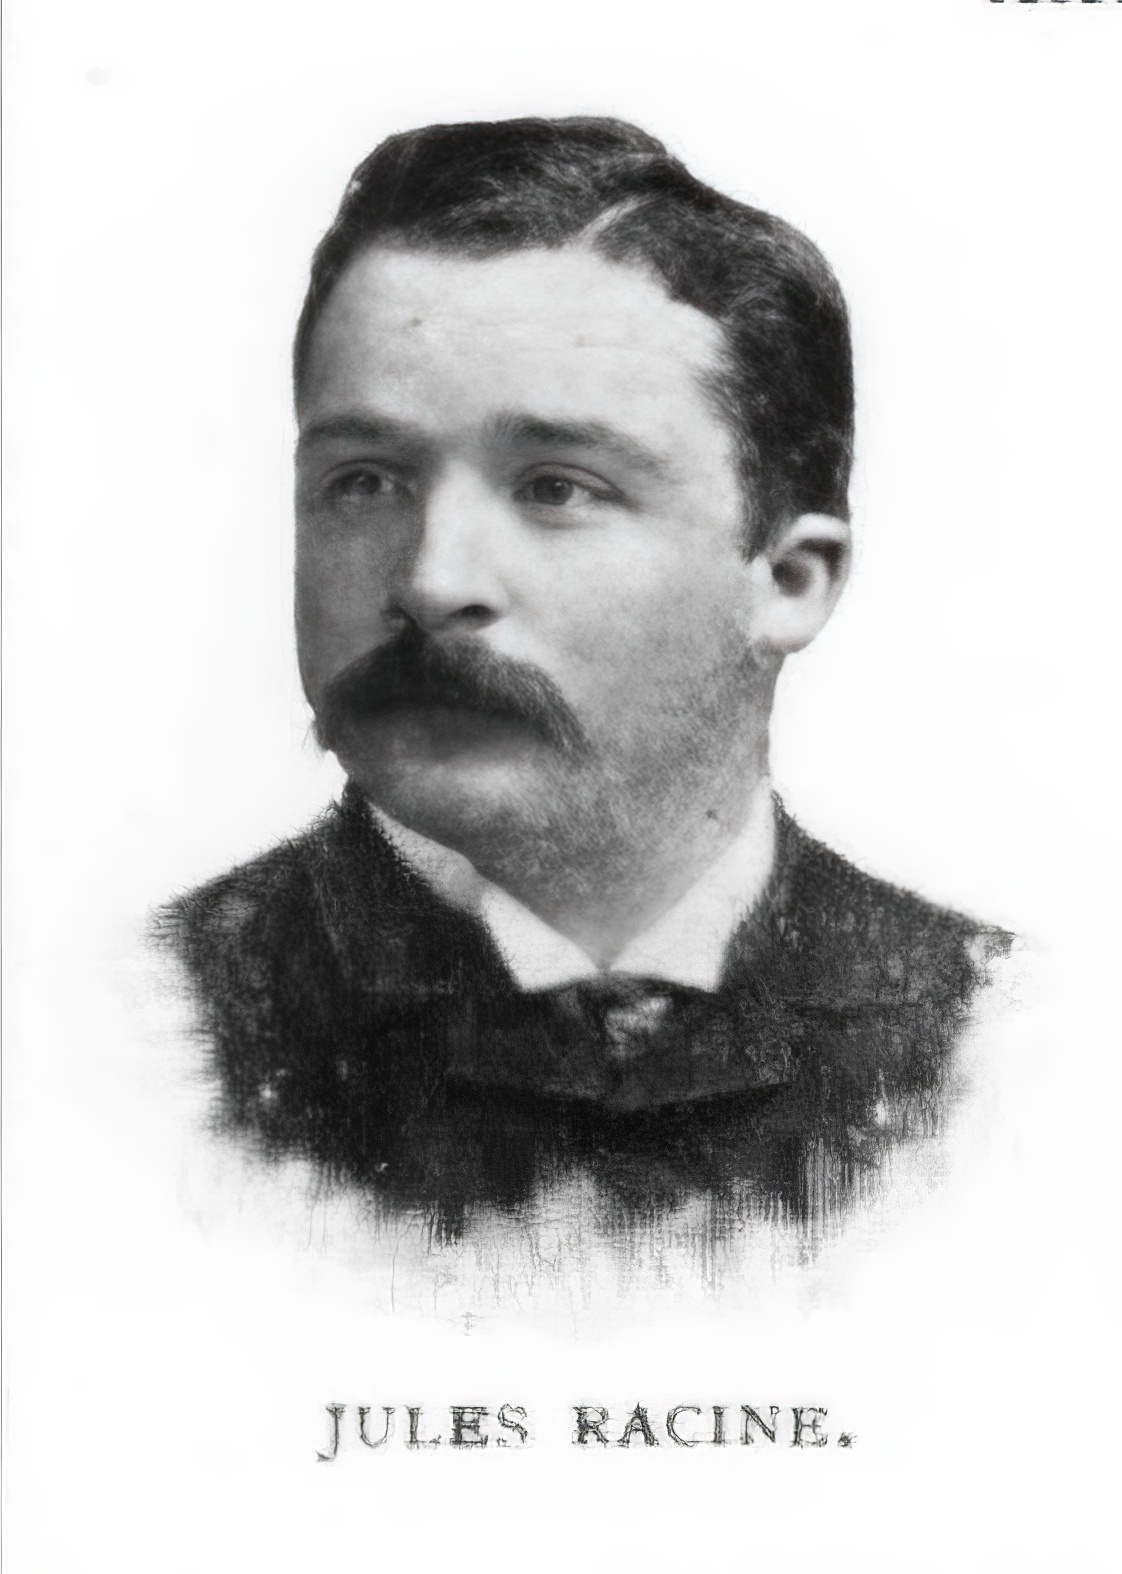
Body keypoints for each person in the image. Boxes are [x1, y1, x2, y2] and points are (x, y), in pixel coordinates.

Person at [161, 117, 1009, 1237]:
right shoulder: (132, 1039)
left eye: (557, 488)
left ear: (788, 580)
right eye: (365, 481)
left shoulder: (1017, 1052)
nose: (432, 580)